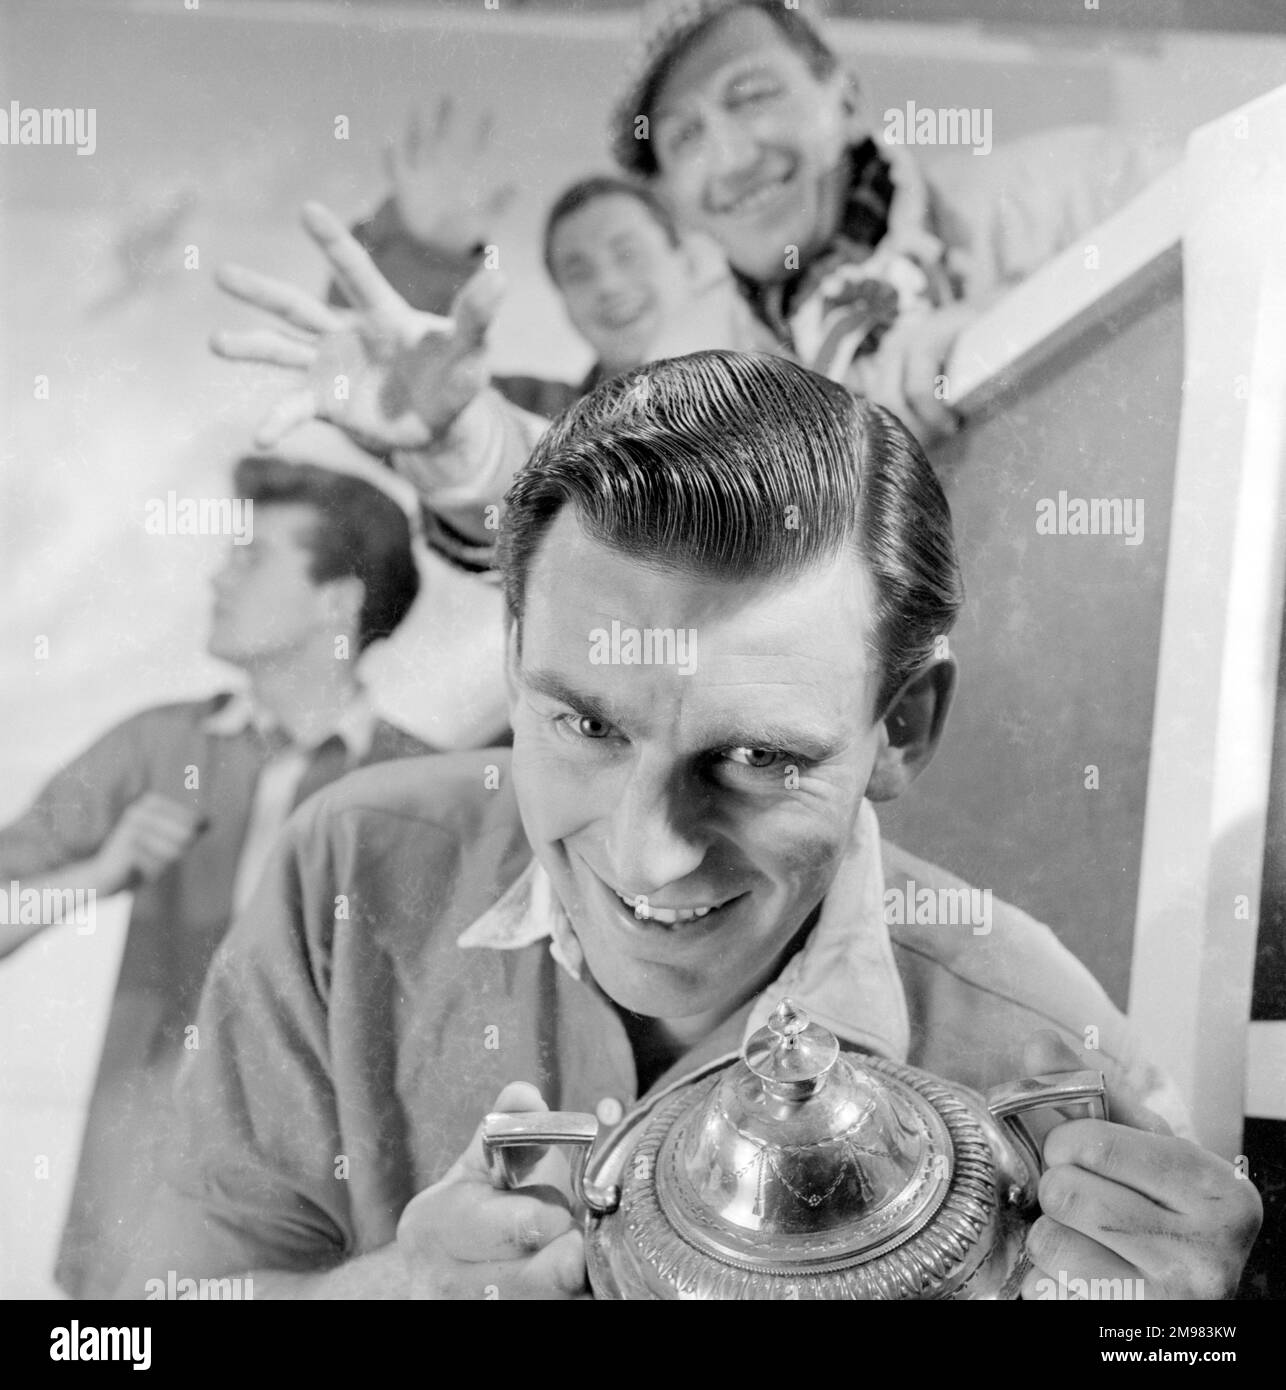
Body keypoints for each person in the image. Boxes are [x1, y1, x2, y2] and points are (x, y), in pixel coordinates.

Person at [118, 353, 1260, 1299]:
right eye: (581, 724)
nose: (645, 852)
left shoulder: (1045, 1058)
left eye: (757, 758)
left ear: (901, 725)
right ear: (513, 663)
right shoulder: (349, 868)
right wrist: (396, 1289)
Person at [1, 450, 433, 1299]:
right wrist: (96, 874)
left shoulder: (423, 794)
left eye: (251, 557)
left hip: (325, 1238)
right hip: (133, 1221)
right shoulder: (155, 746)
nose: (219, 578)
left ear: (335, 601)